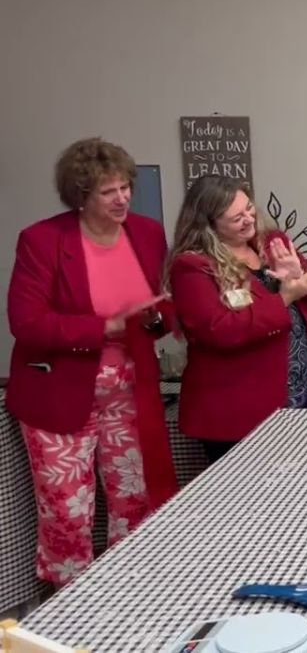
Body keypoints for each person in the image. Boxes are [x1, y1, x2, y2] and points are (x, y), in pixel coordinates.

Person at [6, 137, 178, 586]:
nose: (122, 198)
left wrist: (157, 318)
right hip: (60, 394)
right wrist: (106, 327)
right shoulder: (43, 241)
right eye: (108, 191)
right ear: (80, 195)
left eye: (125, 187)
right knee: (68, 510)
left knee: (135, 499)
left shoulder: (147, 233)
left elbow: (161, 304)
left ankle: (129, 590)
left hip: (130, 390)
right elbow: (26, 323)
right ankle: (69, 607)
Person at [167, 175, 307, 464]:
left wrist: (298, 277)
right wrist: (284, 298)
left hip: (301, 393)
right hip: (239, 409)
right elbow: (219, 331)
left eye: (249, 209)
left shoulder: (272, 242)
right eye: (236, 218)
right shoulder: (193, 265)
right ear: (209, 224)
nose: (248, 219)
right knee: (248, 490)